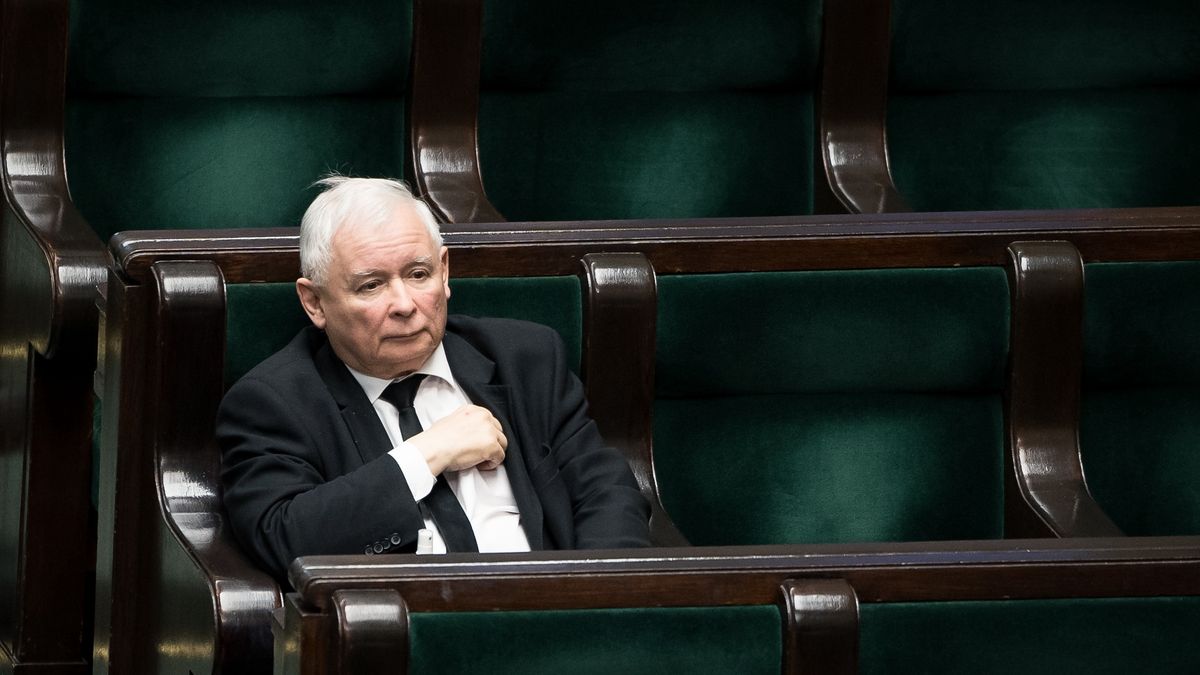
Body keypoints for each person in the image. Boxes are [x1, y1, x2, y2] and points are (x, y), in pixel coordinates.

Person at [217, 176, 651, 582]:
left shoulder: (527, 359)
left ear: (444, 272)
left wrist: (591, 603)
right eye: (371, 286)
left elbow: (607, 493)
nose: (405, 304)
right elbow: (284, 537)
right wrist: (425, 455)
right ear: (314, 302)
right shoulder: (274, 402)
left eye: (418, 274)